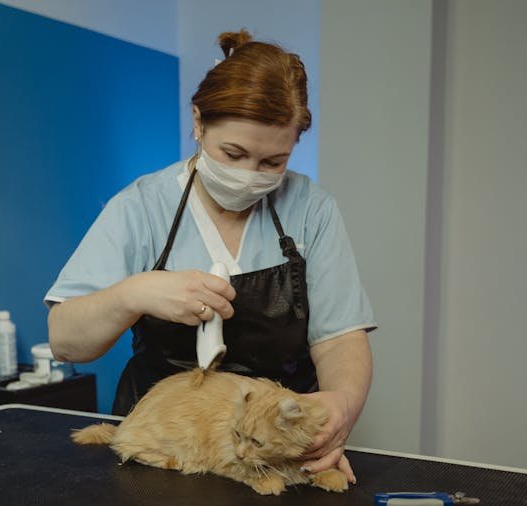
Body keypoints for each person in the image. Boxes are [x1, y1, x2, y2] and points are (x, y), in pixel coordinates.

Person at [45, 30, 376, 482]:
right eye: (233, 154)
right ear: (198, 123)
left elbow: (340, 338)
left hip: (272, 449)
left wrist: (342, 402)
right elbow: (65, 340)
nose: (248, 177)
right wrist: (134, 293)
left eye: (272, 163)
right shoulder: (141, 207)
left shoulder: (311, 208)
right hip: (169, 445)